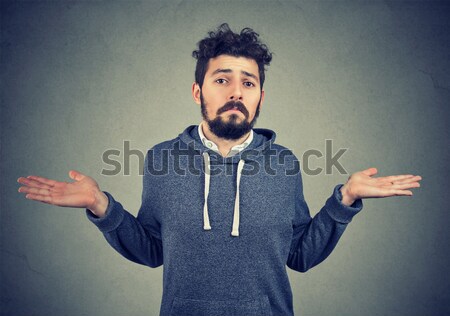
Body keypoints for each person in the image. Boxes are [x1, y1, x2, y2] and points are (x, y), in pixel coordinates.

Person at [17, 23, 421, 316]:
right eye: (222, 79)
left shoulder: (284, 164)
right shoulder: (161, 160)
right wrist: (101, 205)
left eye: (248, 83)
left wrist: (345, 199)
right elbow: (153, 249)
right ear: (198, 91)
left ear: (261, 97)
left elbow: (298, 255)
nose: (235, 92)